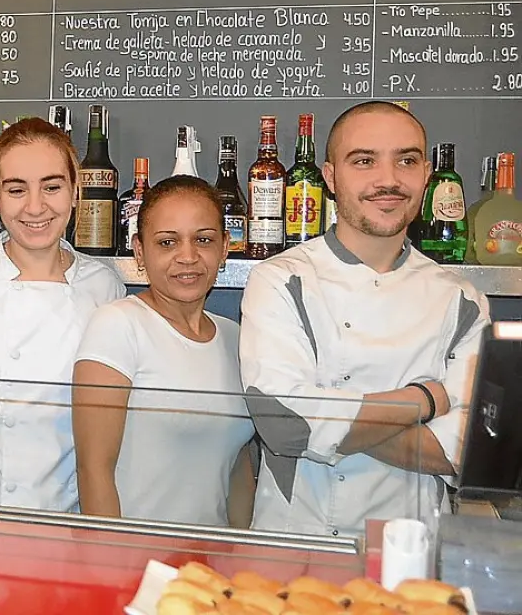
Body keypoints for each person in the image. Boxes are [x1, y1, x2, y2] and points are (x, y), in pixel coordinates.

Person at [240, 101, 491, 537]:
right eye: (364, 161)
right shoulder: (281, 279)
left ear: (426, 174)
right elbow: (285, 425)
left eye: (406, 161)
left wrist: (332, 413)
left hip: (413, 549)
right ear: (330, 176)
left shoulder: (461, 300)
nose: (388, 180)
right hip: (298, 544)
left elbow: (469, 449)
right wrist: (424, 401)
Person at [0, 118, 125, 512]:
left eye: (52, 187)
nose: (35, 207)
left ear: (75, 191)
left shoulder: (104, 286)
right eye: (16, 189)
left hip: (68, 515)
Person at [72, 175, 256, 526]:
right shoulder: (118, 325)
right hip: (136, 554)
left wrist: (242, 548)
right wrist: (107, 556)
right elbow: (94, 470)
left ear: (225, 248)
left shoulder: (236, 338)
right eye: (167, 242)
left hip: (210, 556)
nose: (187, 256)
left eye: (203, 239)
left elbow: (236, 467)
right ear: (140, 251)